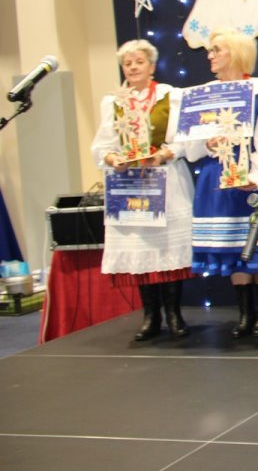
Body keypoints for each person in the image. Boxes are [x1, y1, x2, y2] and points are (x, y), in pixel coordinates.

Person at [181, 28, 258, 338]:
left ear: (236, 52)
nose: (210, 55)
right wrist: (207, 143)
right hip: (217, 178)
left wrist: (255, 175)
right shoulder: (204, 93)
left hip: (251, 177)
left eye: (217, 49)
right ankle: (245, 314)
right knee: (232, 247)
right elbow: (189, 146)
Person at [91, 39, 194, 341]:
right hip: (130, 185)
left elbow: (186, 137)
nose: (133, 67)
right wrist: (114, 159)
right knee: (141, 248)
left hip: (165, 180)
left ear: (152, 66)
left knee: (166, 249)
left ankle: (174, 314)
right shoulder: (113, 102)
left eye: (139, 62)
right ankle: (151, 316)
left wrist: (163, 154)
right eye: (128, 63)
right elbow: (103, 145)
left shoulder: (170, 96)